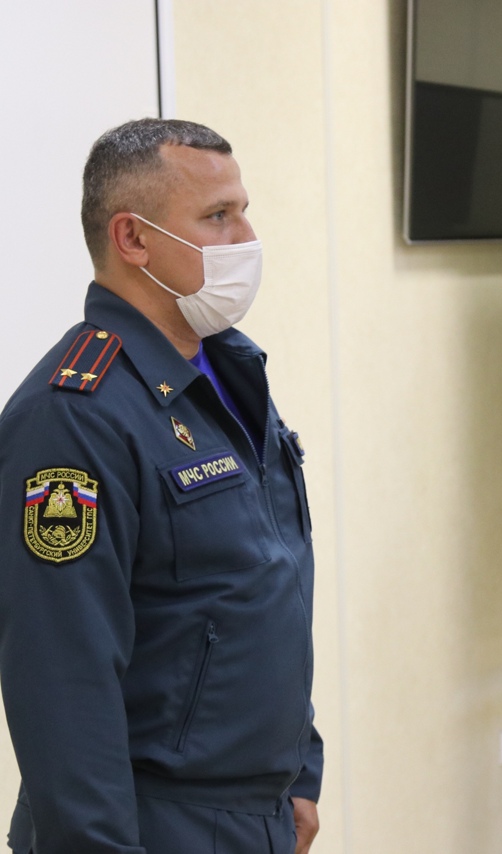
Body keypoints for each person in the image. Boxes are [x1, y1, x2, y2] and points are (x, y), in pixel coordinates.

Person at [0, 118, 322, 854]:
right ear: (133, 238)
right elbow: (62, 675)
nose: (247, 237)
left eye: (243, 210)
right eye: (218, 216)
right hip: (151, 824)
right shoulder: (72, 416)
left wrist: (299, 768)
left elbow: (260, 588)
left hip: (255, 809)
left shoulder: (227, 373)